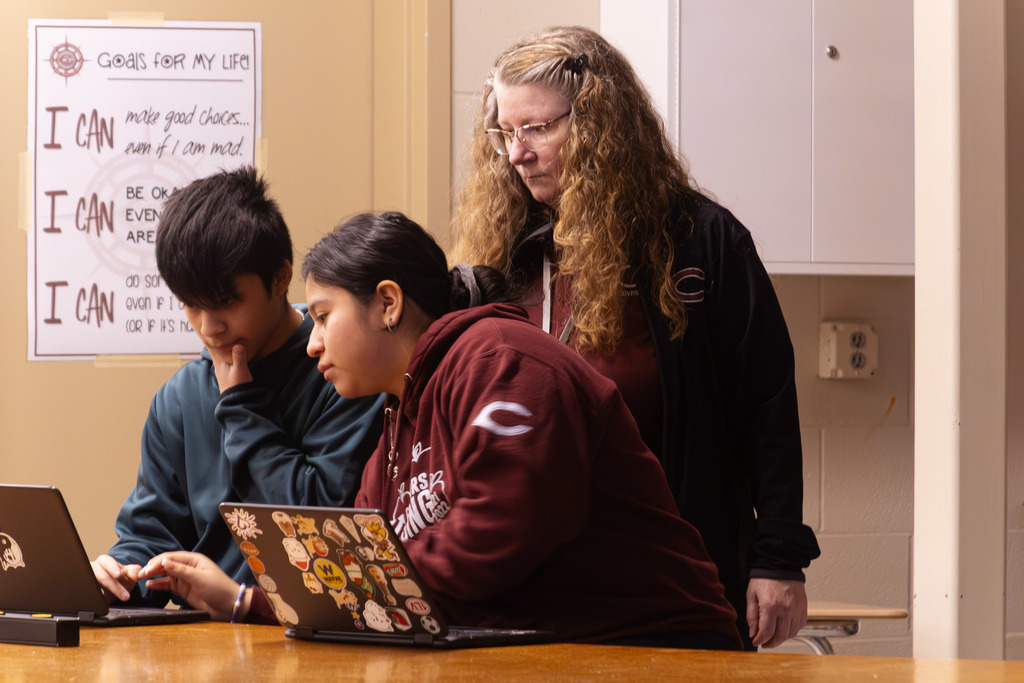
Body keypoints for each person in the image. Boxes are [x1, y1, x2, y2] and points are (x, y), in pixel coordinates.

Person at [139, 210, 741, 649]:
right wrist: (249, 601)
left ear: (388, 303)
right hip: (542, 654)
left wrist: (254, 599)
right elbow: (364, 561)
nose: (313, 342)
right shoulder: (398, 418)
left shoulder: (503, 360)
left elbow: (492, 540)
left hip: (655, 651)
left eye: (322, 317)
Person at [448, 25, 820, 649]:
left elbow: (767, 407)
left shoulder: (701, 242)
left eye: (537, 128)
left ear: (598, 124)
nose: (516, 154)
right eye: (505, 132)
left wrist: (778, 559)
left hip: (670, 579)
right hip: (532, 579)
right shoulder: (505, 255)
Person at [91, 167, 385, 605]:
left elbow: (321, 525)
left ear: (280, 277)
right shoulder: (179, 399)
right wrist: (119, 574)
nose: (209, 327)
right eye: (191, 305)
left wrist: (241, 406)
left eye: (227, 302)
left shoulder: (347, 370)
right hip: (203, 640)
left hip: (319, 628)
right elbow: (150, 536)